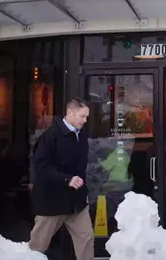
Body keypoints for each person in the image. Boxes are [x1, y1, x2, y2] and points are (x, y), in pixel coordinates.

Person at [29, 97, 94, 260]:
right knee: (38, 246)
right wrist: (67, 179)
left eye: (86, 117)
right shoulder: (50, 136)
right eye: (82, 116)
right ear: (70, 112)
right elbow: (41, 167)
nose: (85, 120)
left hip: (76, 202)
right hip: (51, 202)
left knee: (86, 239)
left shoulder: (82, 136)